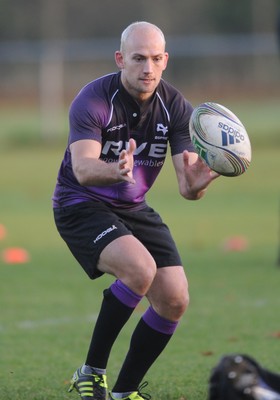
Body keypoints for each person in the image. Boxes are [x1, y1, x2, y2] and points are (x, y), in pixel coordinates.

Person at [53, 21, 219, 400]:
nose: (148, 68)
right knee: (139, 269)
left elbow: (186, 188)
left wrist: (198, 183)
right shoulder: (93, 100)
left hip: (132, 206)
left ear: (165, 61)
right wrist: (117, 170)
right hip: (80, 203)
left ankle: (125, 392)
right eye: (139, 58)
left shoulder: (176, 107)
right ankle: (91, 371)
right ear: (120, 59)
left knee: (175, 298)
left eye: (156, 59)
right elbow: (82, 169)